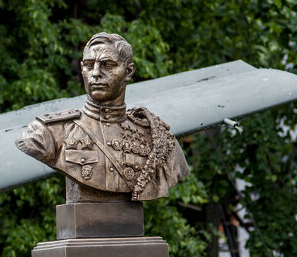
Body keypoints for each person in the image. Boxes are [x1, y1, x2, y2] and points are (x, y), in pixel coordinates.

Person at [16, 32, 189, 200]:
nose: (96, 73)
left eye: (107, 65)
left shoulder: (157, 139)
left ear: (128, 72)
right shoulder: (50, 131)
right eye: (89, 65)